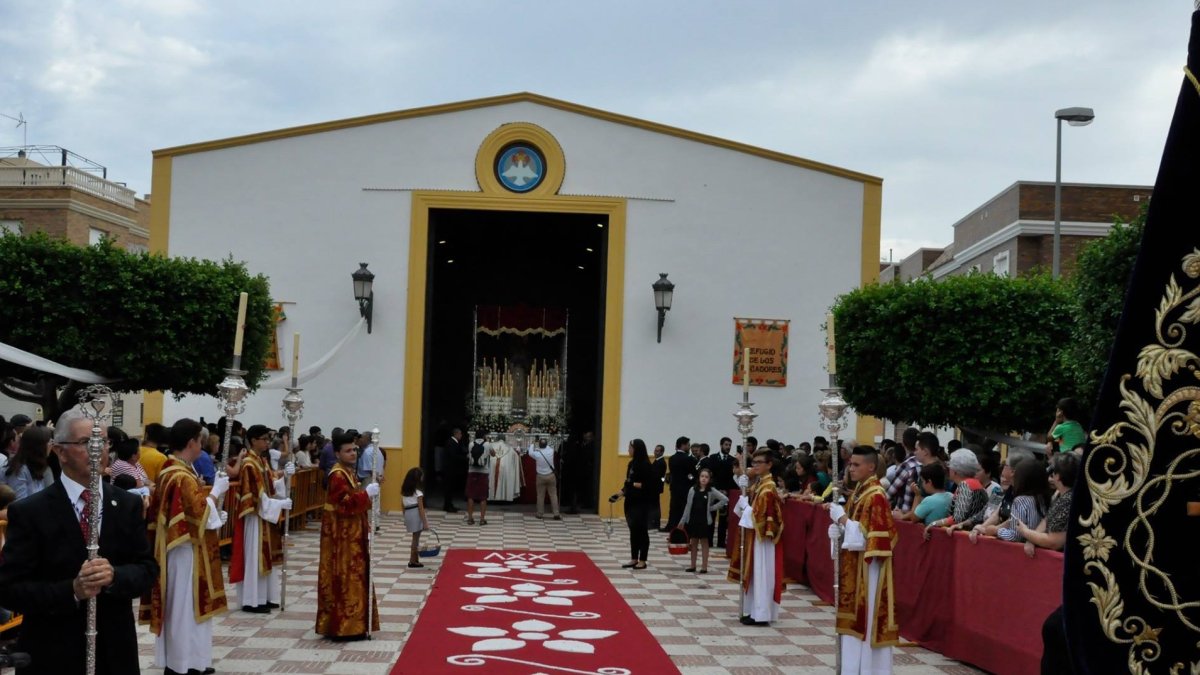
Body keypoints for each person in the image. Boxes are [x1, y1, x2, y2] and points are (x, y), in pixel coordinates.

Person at [0, 407, 158, 675]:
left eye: (104, 441)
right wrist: (72, 590)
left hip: (114, 649)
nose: (98, 450)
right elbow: (10, 588)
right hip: (52, 650)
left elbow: (147, 569)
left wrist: (114, 576)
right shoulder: (30, 512)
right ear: (59, 450)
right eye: (86, 442)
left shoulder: (126, 504)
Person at [140, 418, 229, 675]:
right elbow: (198, 516)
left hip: (182, 550)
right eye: (201, 441)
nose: (202, 445)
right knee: (185, 608)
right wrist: (215, 493)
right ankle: (182, 663)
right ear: (192, 442)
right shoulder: (181, 476)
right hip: (184, 552)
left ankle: (192, 660)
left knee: (187, 608)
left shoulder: (173, 470)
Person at [827, 445, 899, 674]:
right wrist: (838, 533)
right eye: (850, 464)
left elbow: (872, 539)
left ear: (871, 466)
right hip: (854, 567)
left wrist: (843, 521)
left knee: (865, 621)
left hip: (869, 571)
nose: (851, 468)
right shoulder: (860, 490)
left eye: (856, 465)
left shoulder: (875, 496)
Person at [316, 432, 381, 641]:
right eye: (348, 450)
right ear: (337, 453)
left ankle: (355, 624)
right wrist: (366, 494)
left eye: (354, 450)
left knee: (356, 576)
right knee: (346, 577)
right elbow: (344, 505)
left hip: (352, 533)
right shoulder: (337, 475)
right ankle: (344, 626)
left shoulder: (348, 472)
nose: (353, 453)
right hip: (341, 538)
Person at [230, 424, 294, 613]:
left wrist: (284, 476)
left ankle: (266, 596)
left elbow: (271, 482)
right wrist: (278, 505)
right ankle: (252, 599)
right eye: (264, 439)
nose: (267, 442)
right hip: (256, 516)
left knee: (267, 555)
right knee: (255, 555)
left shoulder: (261, 461)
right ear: (253, 440)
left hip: (266, 516)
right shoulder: (249, 463)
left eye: (268, 438)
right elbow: (256, 496)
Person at [727, 449, 784, 626]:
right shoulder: (760, 484)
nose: (756, 465)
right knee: (754, 574)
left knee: (761, 574)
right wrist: (741, 483)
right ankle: (753, 610)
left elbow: (760, 517)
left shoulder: (768, 488)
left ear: (769, 465)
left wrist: (746, 505)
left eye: (760, 462)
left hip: (763, 539)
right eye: (755, 462)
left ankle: (762, 613)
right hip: (755, 537)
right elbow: (749, 498)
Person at [1015, 452, 1079, 557]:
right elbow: (1047, 519)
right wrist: (1032, 539)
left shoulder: (1068, 501)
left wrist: (1025, 532)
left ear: (1057, 477)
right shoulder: (1061, 495)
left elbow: (1054, 542)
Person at [924, 448, 987, 537]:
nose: (948, 468)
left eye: (950, 465)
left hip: (964, 536)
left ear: (955, 471)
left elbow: (957, 518)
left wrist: (934, 523)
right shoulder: (976, 483)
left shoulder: (966, 485)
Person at [679, 468, 728, 574]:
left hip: (704, 520)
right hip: (693, 519)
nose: (704, 479)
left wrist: (711, 508)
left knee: (704, 542)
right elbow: (688, 506)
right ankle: (692, 565)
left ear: (710, 479)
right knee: (693, 542)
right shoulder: (692, 490)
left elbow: (724, 499)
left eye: (706, 477)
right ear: (699, 477)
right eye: (702, 476)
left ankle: (704, 566)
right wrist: (682, 521)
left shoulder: (711, 490)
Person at [616, 439, 654, 570]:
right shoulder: (631, 464)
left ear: (637, 449)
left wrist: (633, 485)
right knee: (633, 530)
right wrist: (619, 494)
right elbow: (628, 482)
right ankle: (634, 558)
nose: (628, 450)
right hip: (631, 501)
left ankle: (643, 559)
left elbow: (649, 485)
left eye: (630, 447)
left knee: (642, 531)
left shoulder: (645, 465)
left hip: (641, 502)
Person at [997, 458, 1051, 543]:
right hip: (1037, 546)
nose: (1012, 476)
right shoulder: (1045, 498)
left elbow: (1015, 536)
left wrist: (997, 531)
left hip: (1021, 550)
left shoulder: (1020, 501)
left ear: (1022, 479)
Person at [2, 426, 54, 499]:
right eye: (50, 442)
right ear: (39, 446)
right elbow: (19, 504)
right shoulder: (19, 470)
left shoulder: (36, 466)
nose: (52, 445)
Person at [707, 437, 737, 548]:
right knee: (711, 515)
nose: (728, 447)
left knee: (724, 519)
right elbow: (710, 474)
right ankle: (709, 541)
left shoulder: (732, 460)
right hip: (714, 491)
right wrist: (715, 488)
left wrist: (726, 490)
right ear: (721, 445)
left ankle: (721, 542)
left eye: (729, 445)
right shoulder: (713, 458)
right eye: (726, 445)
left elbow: (732, 477)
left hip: (725, 492)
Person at [664, 436, 695, 531]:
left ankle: (673, 530)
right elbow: (691, 474)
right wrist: (691, 479)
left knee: (674, 510)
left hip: (674, 488)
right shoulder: (689, 459)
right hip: (685, 488)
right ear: (683, 445)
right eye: (688, 445)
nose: (689, 447)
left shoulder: (672, 458)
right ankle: (683, 530)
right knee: (684, 510)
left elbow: (673, 473)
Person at [885, 427, 921, 510]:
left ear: (903, 444)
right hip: (921, 512)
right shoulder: (924, 462)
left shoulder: (907, 465)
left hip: (904, 512)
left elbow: (889, 494)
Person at [526, 436, 561, 519]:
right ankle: (556, 513)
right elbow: (550, 446)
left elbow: (530, 452)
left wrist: (533, 443)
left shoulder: (537, 454)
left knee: (540, 496)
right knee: (553, 495)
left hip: (540, 476)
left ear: (539, 445)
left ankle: (540, 513)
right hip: (551, 475)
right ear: (546, 445)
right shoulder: (551, 451)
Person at [401, 467, 429, 569]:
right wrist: (425, 522)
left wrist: (405, 518)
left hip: (408, 514)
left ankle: (415, 559)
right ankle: (412, 560)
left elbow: (403, 506)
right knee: (416, 538)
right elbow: (421, 509)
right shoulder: (418, 493)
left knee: (415, 537)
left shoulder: (404, 492)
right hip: (416, 514)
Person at [465, 433, 494, 525]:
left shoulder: (471, 444)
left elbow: (468, 455)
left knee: (471, 496)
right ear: (483, 436)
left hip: (472, 472)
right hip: (483, 473)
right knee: (483, 497)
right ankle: (482, 519)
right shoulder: (487, 444)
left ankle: (470, 518)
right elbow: (493, 454)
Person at [440, 427, 465, 513]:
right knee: (448, 488)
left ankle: (449, 504)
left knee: (450, 488)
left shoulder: (454, 442)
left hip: (451, 469)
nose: (461, 436)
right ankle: (447, 506)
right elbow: (453, 456)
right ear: (456, 434)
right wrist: (465, 458)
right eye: (460, 434)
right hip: (449, 469)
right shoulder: (451, 443)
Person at [648, 444, 667, 530]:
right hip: (653, 487)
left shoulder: (661, 462)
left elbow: (656, 476)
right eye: (655, 450)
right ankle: (653, 522)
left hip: (655, 487)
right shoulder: (657, 461)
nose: (655, 452)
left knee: (654, 506)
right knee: (653, 505)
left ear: (662, 452)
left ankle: (654, 523)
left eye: (657, 451)